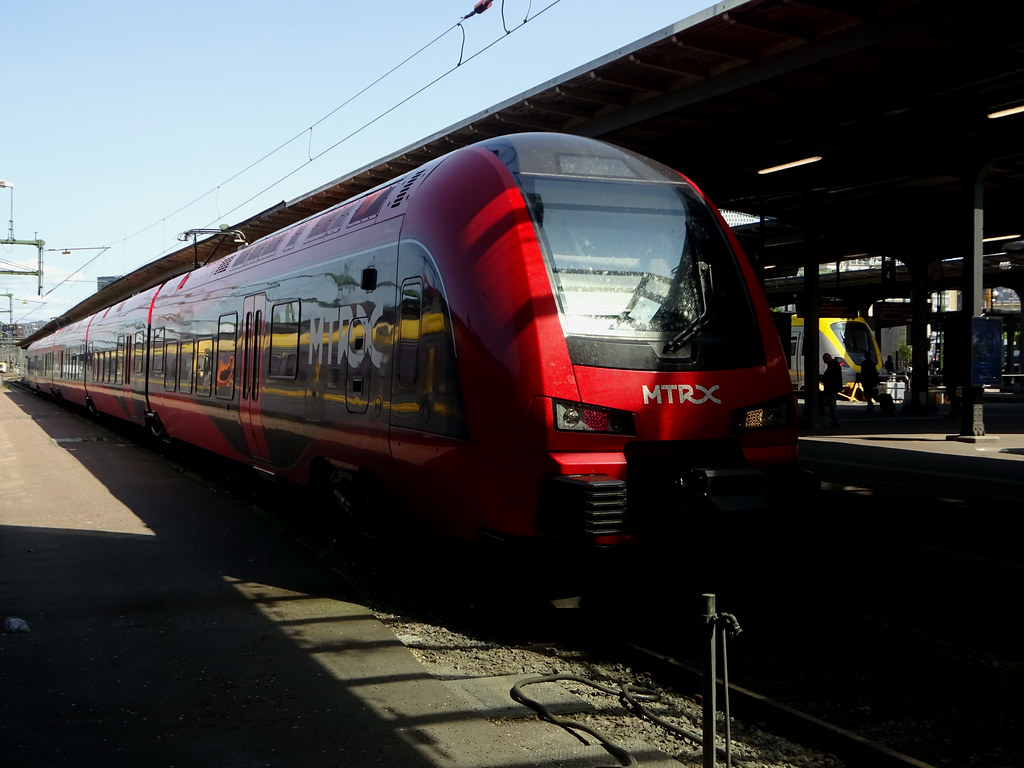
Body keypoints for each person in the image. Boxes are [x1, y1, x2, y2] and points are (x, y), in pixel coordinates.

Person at [821, 353, 842, 426]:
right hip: (833, 388)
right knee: (831, 404)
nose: (824, 362)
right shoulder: (835, 365)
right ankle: (834, 420)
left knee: (832, 405)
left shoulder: (832, 366)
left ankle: (835, 420)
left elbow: (829, 377)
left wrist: (822, 377)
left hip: (831, 389)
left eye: (825, 360)